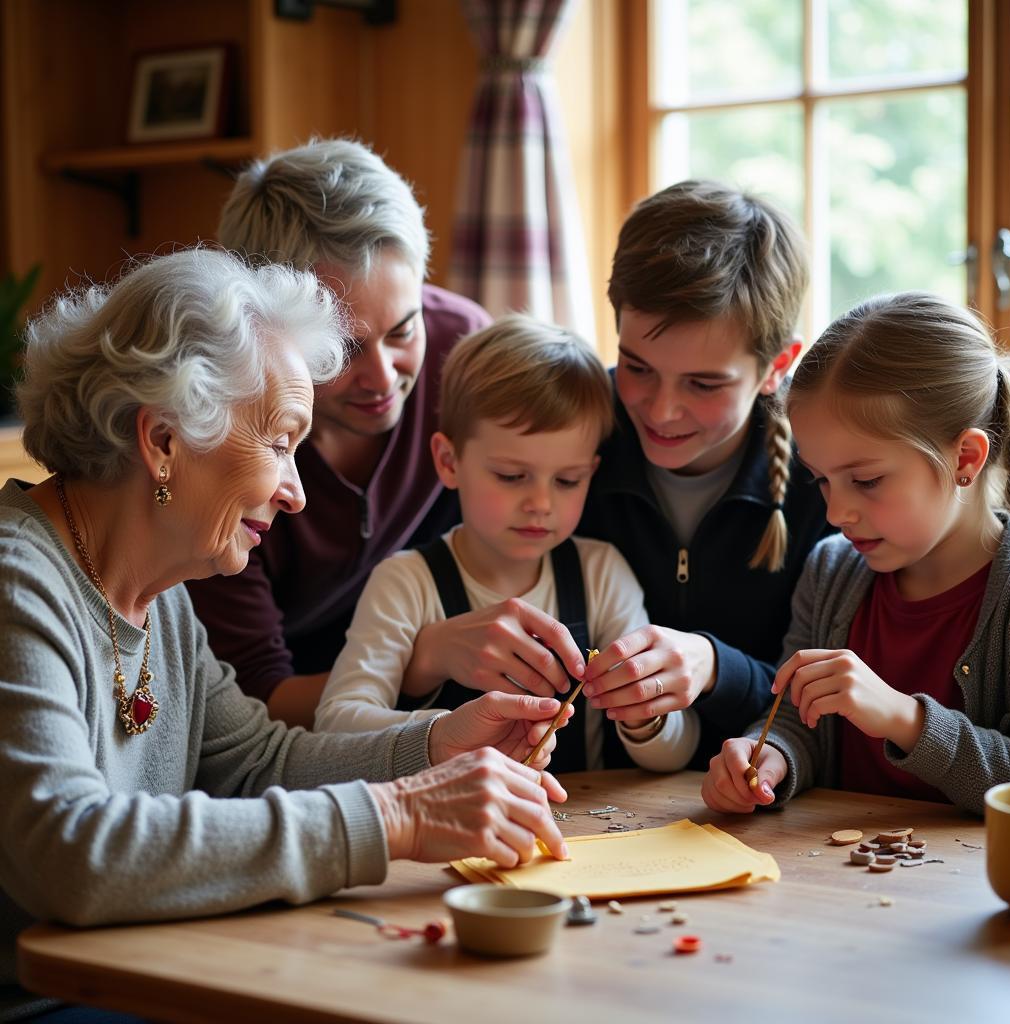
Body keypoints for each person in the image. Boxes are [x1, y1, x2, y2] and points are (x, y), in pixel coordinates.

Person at [0, 250, 570, 1023]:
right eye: (279, 442)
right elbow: (72, 854)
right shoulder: (19, 582)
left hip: (140, 975)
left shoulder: (158, 595)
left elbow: (257, 762)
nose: (297, 492)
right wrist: (399, 816)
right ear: (163, 440)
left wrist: (439, 747)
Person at [185, 138, 492, 729]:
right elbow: (255, 703)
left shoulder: (464, 352)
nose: (383, 376)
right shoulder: (217, 446)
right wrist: (417, 660)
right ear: (262, 329)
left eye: (404, 331)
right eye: (342, 348)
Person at [314, 315, 701, 774]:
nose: (540, 503)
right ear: (449, 461)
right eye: (512, 476)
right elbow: (335, 728)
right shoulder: (406, 582)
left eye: (567, 480)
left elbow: (677, 753)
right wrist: (454, 730)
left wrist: (645, 718)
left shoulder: (601, 572)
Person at [701, 292, 1010, 817]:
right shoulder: (832, 570)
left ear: (964, 457)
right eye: (822, 480)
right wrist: (769, 755)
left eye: (867, 480)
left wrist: (905, 718)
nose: (836, 513)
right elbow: (794, 718)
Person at [565, 180, 831, 767]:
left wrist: (717, 667)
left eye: (704, 384)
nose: (660, 411)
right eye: (636, 367)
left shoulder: (830, 480)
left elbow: (828, 701)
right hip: (586, 797)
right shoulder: (566, 437)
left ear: (776, 367)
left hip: (768, 801)